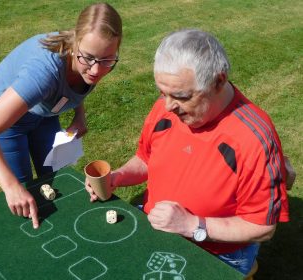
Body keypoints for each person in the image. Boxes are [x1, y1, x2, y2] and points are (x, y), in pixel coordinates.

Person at [85, 29, 290, 275]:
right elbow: (145, 159)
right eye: (163, 92)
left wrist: (193, 225)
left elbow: (262, 226)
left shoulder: (253, 139)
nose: (168, 106)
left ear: (218, 81)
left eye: (181, 96)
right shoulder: (166, 108)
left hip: (218, 252)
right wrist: (117, 177)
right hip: (158, 227)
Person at [0, 3, 122, 229]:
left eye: (107, 60)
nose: (96, 71)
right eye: (88, 58)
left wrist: (79, 114)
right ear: (75, 42)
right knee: (23, 193)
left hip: (45, 111)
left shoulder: (96, 60)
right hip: (9, 120)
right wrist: (11, 187)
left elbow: (78, 87)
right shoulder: (43, 73)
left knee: (53, 177)